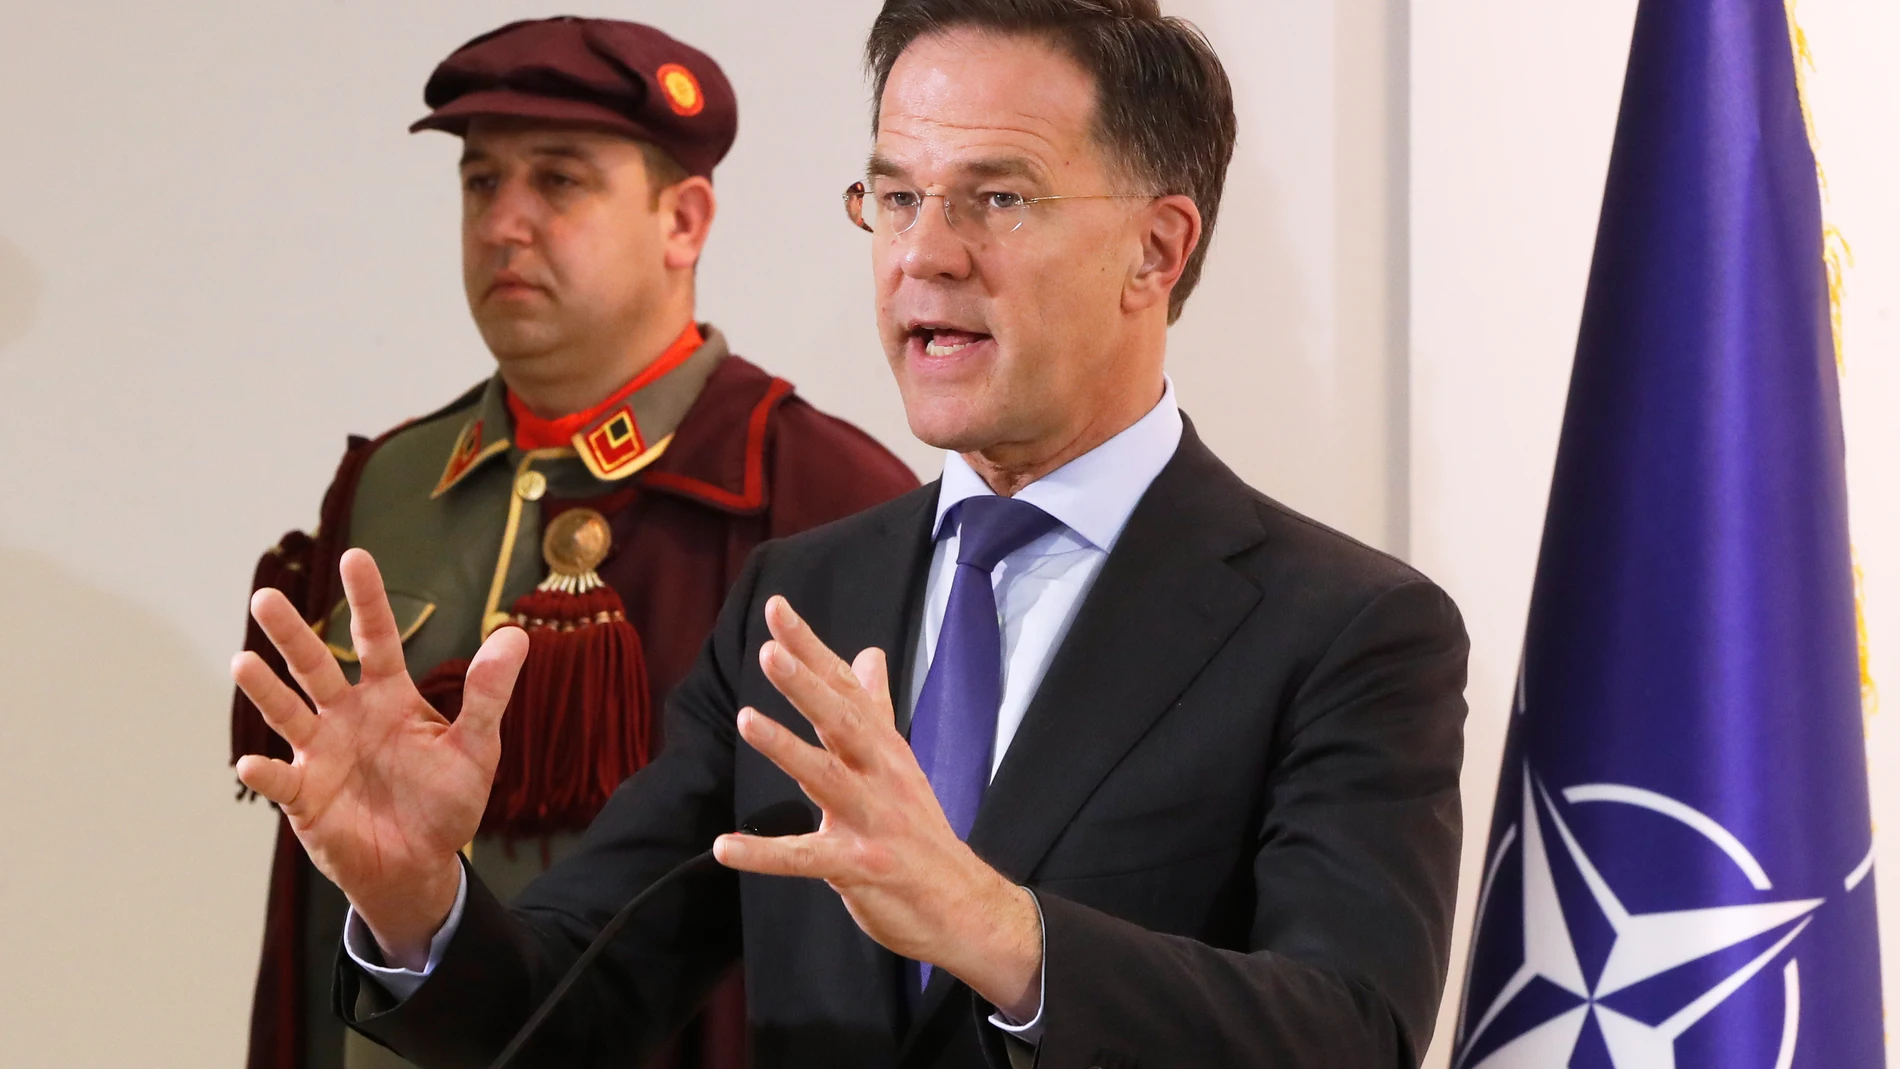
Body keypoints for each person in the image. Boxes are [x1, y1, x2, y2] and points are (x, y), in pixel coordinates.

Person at [233, 1, 1469, 1066]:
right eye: (895, 195)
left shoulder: (1346, 630)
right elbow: (575, 1006)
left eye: (997, 197)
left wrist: (1002, 931)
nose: (922, 254)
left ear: (1156, 249)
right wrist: (419, 906)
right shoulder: (802, 593)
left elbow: (1351, 1031)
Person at [227, 17, 919, 1069]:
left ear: (683, 221)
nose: (504, 222)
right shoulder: (391, 486)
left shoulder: (817, 495)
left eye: (558, 181)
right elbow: (316, 904)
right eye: (480, 182)